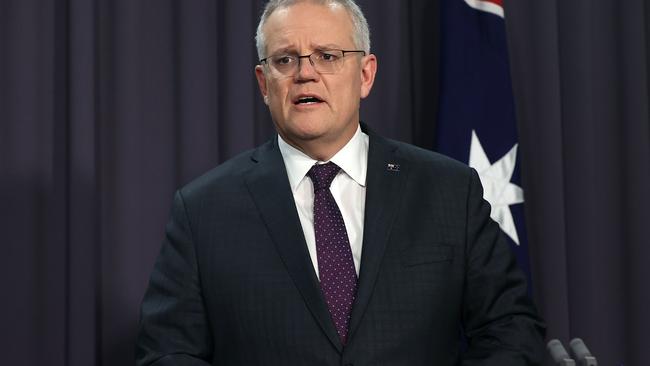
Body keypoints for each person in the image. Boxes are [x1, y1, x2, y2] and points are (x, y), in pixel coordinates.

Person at [135, 0, 546, 365]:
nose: (305, 74)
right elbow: (168, 352)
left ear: (365, 74)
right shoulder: (204, 209)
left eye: (327, 56)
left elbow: (511, 329)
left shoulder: (448, 190)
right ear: (264, 83)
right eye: (285, 60)